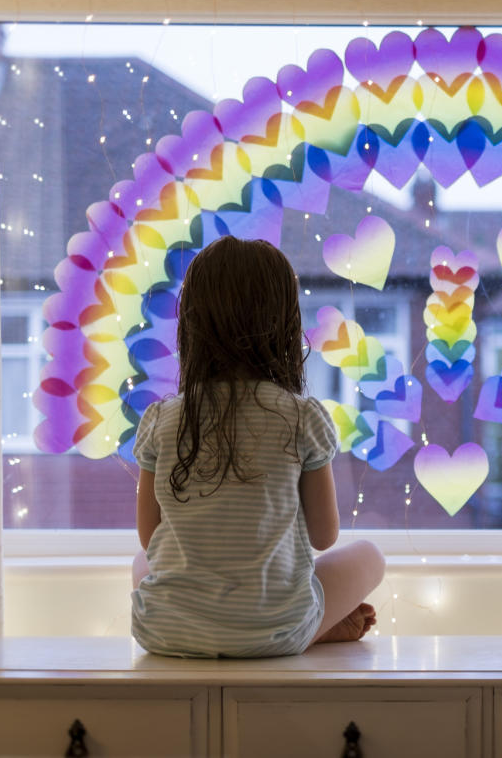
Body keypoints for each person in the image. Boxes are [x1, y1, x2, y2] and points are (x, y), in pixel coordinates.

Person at [129, 235, 384, 658]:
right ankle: (312, 628)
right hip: (275, 630)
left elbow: (149, 535)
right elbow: (324, 537)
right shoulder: (302, 417)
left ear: (191, 325)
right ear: (285, 323)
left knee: (141, 563)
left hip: (165, 632)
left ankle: (262, 626)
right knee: (370, 556)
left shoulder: (161, 419)